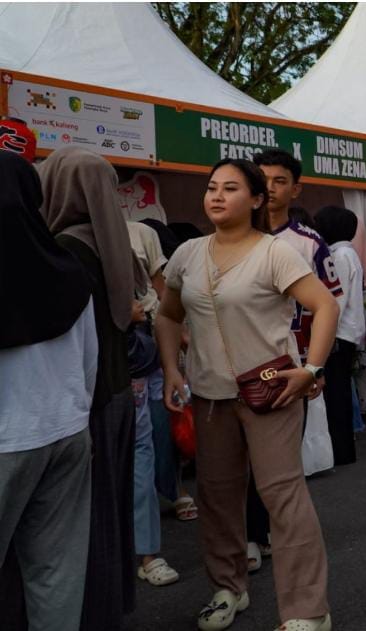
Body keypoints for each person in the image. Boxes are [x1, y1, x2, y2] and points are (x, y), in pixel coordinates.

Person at [155, 158, 338, 631]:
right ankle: (227, 588)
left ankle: (307, 611)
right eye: (211, 187)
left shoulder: (274, 252)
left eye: (230, 188)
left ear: (256, 199)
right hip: (209, 395)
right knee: (216, 496)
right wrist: (173, 368)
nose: (216, 195)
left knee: (283, 497)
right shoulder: (189, 253)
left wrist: (311, 368)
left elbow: (324, 305)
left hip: (271, 392)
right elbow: (168, 314)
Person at [37, 146, 139, 630]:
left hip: (90, 402)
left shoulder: (66, 251)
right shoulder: (108, 239)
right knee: (110, 515)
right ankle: (111, 608)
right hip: (118, 394)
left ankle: (94, 617)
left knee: (85, 524)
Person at [0, 151, 97, 631]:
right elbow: (88, 362)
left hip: (6, 442)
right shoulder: (65, 266)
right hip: (66, 433)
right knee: (56, 577)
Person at [248, 149, 342, 571]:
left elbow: (328, 307)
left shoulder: (308, 243)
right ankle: (247, 536)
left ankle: (272, 533)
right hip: (234, 366)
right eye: (261, 178)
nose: (269, 187)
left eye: (279, 180)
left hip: (288, 367)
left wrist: (314, 367)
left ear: (295, 188)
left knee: (280, 460)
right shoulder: (227, 236)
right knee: (236, 462)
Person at [126, 221, 182, 586]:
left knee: (146, 447)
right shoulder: (61, 239)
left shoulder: (136, 235)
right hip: (97, 365)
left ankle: (146, 552)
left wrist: (174, 360)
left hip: (139, 353)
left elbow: (163, 300)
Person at [314, 205, 366, 465]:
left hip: (340, 333)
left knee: (337, 394)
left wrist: (325, 332)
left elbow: (337, 300)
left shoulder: (341, 255)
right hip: (346, 332)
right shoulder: (347, 252)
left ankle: (341, 450)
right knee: (340, 391)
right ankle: (342, 448)